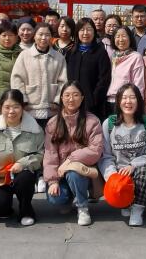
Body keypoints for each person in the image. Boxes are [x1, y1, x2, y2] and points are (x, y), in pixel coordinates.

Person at [0, 89, 44, 226]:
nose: (11, 111)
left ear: (22, 108)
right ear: (1, 108)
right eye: (7, 107)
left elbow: (40, 154)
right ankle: (6, 207)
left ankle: (26, 210)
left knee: (25, 178)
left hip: (23, 174)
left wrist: (23, 163)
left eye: (16, 107)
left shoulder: (35, 130)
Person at [44, 82, 104, 226]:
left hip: (83, 172)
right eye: (67, 95)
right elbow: (50, 154)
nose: (71, 99)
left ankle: (82, 207)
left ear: (82, 98)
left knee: (74, 172)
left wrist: (69, 160)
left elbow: (95, 150)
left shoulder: (92, 121)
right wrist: (53, 181)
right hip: (60, 173)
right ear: (61, 98)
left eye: (76, 95)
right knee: (56, 199)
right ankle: (70, 197)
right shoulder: (53, 123)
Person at [99, 84, 146, 226]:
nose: (128, 101)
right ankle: (126, 203)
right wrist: (113, 177)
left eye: (132, 97)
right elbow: (105, 156)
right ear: (118, 101)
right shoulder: (109, 124)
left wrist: (133, 165)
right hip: (119, 174)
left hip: (139, 172)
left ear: (138, 101)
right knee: (119, 196)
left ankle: (138, 208)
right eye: (124, 98)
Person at [11, 22, 68, 129]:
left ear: (51, 37)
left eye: (47, 35)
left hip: (52, 109)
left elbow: (63, 82)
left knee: (51, 136)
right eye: (40, 34)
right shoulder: (24, 55)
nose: (43, 38)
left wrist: (57, 101)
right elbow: (17, 80)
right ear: (34, 35)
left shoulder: (59, 57)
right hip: (29, 108)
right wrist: (23, 100)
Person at [66, 18, 112, 121]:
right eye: (82, 30)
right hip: (72, 102)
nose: (85, 33)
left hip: (93, 105)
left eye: (89, 29)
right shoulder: (71, 52)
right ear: (77, 32)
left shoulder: (100, 52)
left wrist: (93, 99)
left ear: (94, 32)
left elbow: (104, 79)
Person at [106, 26, 145, 116]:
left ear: (130, 38)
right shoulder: (112, 56)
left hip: (126, 101)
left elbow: (138, 83)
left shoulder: (135, 57)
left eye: (124, 36)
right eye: (117, 36)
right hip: (110, 101)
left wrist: (138, 103)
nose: (120, 39)